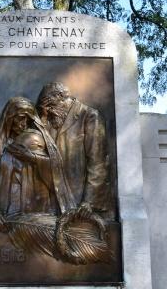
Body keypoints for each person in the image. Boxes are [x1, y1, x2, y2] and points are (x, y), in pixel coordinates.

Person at [0, 96, 74, 248]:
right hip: (3, 218)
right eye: (20, 119)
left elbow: (56, 177)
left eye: (28, 120)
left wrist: (32, 157)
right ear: (9, 118)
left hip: (35, 218)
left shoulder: (36, 142)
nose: (23, 125)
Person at [36, 82, 113, 219]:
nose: (49, 111)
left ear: (61, 97)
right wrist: (42, 118)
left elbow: (98, 163)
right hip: (53, 203)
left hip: (81, 204)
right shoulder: (50, 121)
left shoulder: (89, 117)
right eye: (46, 108)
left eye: (50, 106)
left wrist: (89, 202)